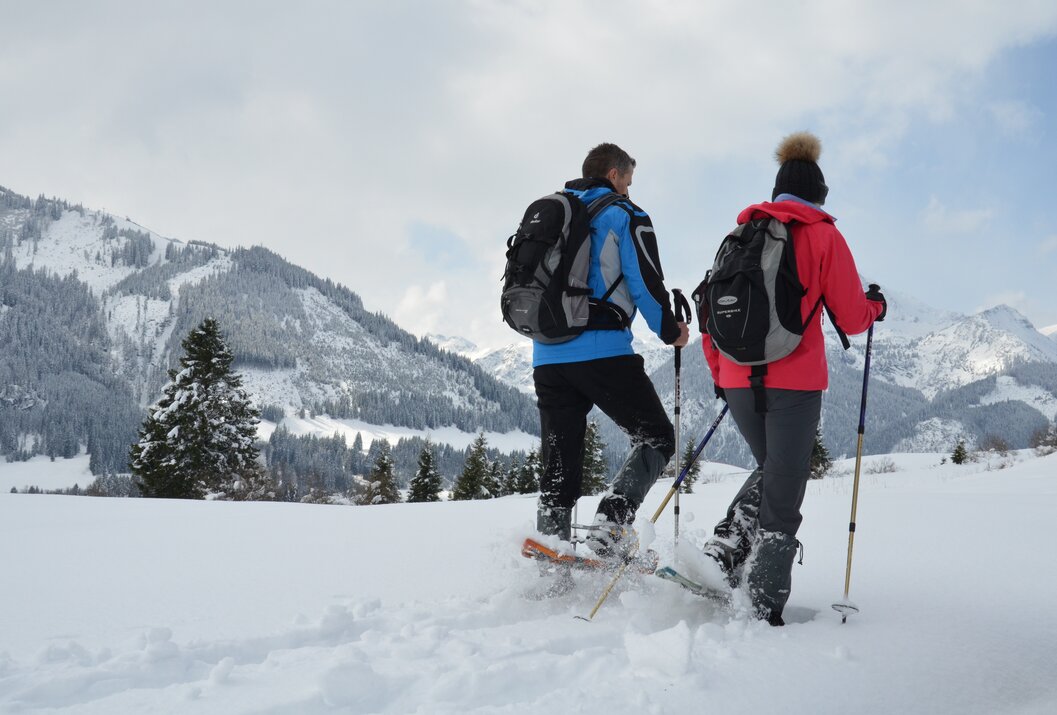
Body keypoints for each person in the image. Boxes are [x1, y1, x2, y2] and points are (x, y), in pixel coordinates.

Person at [699, 131, 886, 625]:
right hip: (795, 382)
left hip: (738, 379)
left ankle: (724, 548)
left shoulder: (738, 235)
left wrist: (721, 373)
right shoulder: (824, 235)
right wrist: (876, 308)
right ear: (819, 195)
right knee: (784, 490)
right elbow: (850, 316)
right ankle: (762, 607)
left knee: (773, 470)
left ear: (778, 190)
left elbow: (709, 312)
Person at [533, 142, 689, 591]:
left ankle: (551, 551)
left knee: (559, 454)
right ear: (616, 174)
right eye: (629, 180)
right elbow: (643, 281)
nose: (629, 188)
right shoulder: (624, 213)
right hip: (602, 350)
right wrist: (669, 329)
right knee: (657, 437)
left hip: (547, 355)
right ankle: (610, 525)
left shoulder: (552, 211)